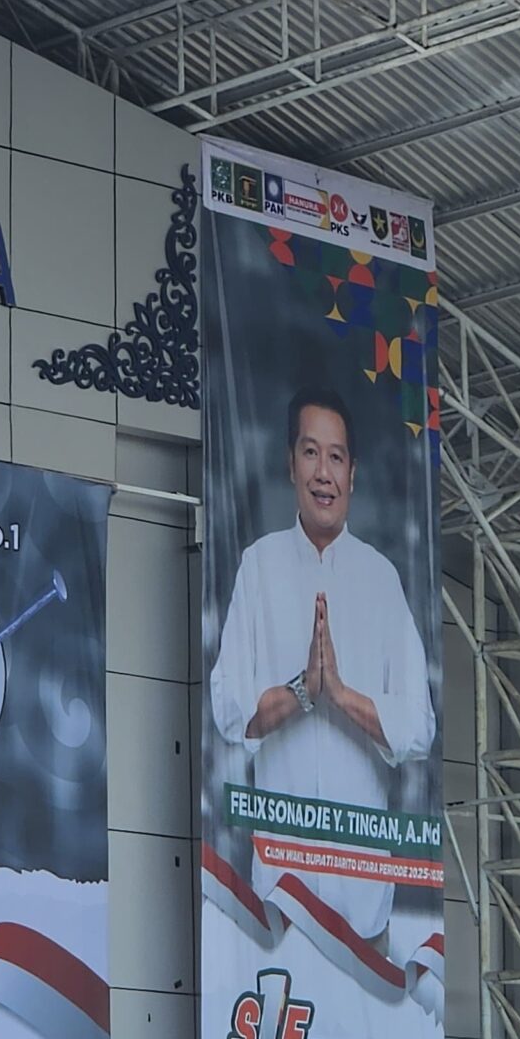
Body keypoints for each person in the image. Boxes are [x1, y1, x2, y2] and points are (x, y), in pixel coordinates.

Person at [208, 388, 435, 949]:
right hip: (280, 896)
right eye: (311, 453)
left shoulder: (381, 579)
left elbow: (419, 727)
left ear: (353, 474)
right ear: (291, 464)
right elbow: (228, 710)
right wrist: (303, 691)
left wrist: (342, 695)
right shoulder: (257, 566)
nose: (323, 473)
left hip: (365, 904)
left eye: (336, 457)